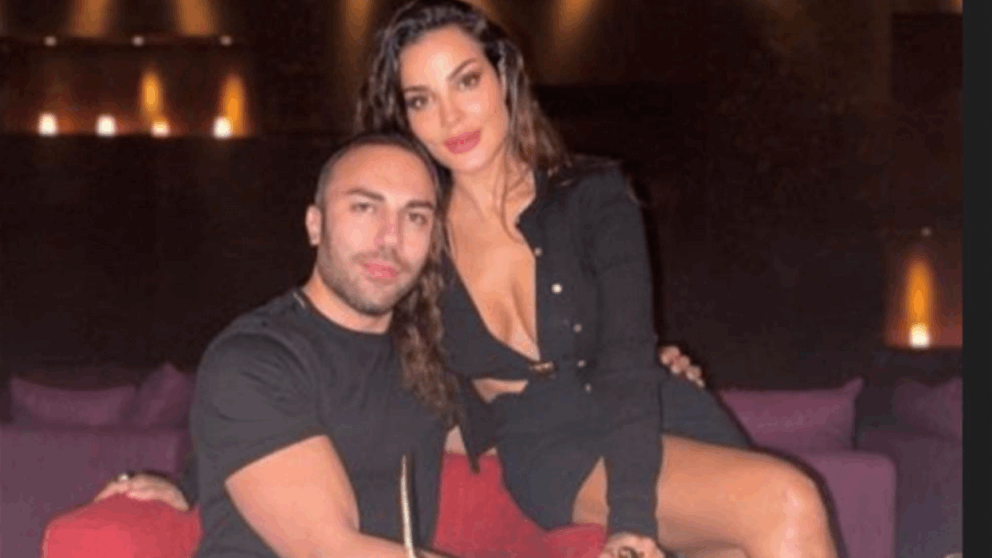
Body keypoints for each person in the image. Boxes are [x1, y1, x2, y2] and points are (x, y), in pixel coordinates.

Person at [100, 2, 844, 557]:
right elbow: (318, 364)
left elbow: (625, 357)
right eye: (421, 99)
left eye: (465, 81)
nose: (451, 115)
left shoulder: (595, 194)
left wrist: (633, 516)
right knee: (788, 500)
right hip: (549, 445)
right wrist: (193, 480)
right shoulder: (417, 230)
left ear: (504, 78)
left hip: (651, 410)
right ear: (404, 115)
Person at [156, 131, 453, 558]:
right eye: (364, 207)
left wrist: (190, 481)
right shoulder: (253, 359)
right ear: (315, 225)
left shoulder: (422, 357)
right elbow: (331, 550)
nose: (391, 238)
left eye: (416, 217)